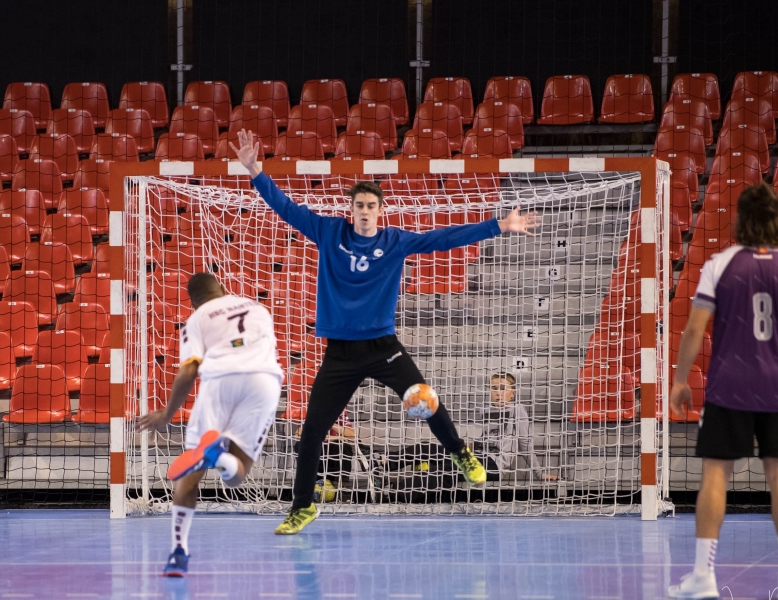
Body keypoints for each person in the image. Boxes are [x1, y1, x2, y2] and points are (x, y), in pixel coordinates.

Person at [230, 130, 541, 534]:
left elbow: (443, 238)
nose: (364, 211)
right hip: (340, 353)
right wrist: (256, 171)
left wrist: (498, 225)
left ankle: (462, 455)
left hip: (382, 347)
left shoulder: (394, 241)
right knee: (311, 433)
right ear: (351, 209)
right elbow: (286, 208)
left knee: (424, 400)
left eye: (370, 206)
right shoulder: (329, 233)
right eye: (358, 205)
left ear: (380, 210)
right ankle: (302, 507)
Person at [667, 183, 778, 600]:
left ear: (739, 219)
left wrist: (681, 379)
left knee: (715, 476)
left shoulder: (720, 265)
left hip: (729, 387)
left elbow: (693, 329)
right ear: (777, 220)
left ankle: (703, 577)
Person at [137, 273, 284, 576]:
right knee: (237, 477)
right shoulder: (258, 307)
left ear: (193, 302)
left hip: (220, 382)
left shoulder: (197, 317)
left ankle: (179, 551)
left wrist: (166, 414)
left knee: (190, 475)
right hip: (264, 383)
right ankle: (220, 457)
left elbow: (190, 371)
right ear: (225, 290)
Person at [383, 373, 557, 484]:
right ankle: (380, 465)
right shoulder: (486, 411)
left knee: (443, 468)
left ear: (513, 393)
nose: (498, 393)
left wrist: (539, 474)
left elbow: (525, 445)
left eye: (503, 389)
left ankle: (392, 490)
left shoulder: (517, 410)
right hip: (476, 455)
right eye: (494, 388)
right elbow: (486, 439)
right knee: (425, 448)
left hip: (493, 465)